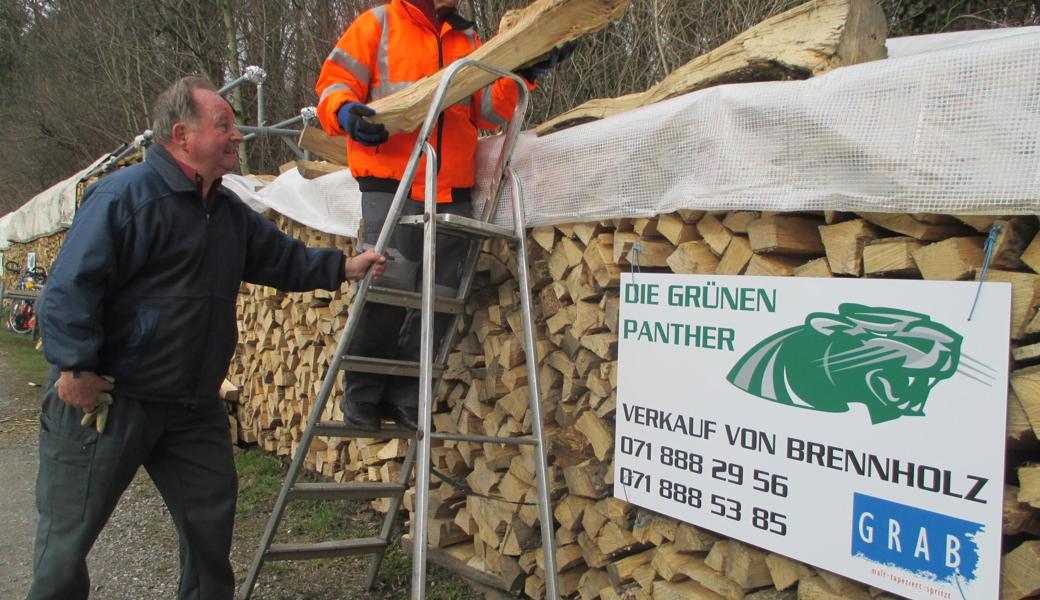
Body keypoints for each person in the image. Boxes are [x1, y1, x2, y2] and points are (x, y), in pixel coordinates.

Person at [28, 75, 385, 600]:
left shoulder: (225, 213)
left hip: (191, 406)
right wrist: (74, 367)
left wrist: (345, 266)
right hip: (110, 400)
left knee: (209, 540)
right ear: (182, 135)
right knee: (65, 545)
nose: (238, 135)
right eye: (224, 125)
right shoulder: (126, 197)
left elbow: (282, 257)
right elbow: (67, 287)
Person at [315, 0, 573, 432]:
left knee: (439, 299)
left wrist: (524, 71)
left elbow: (487, 111)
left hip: (450, 184)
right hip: (390, 180)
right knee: (387, 290)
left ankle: (406, 397)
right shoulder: (376, 25)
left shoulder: (466, 39)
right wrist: (344, 112)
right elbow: (333, 85)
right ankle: (361, 395)